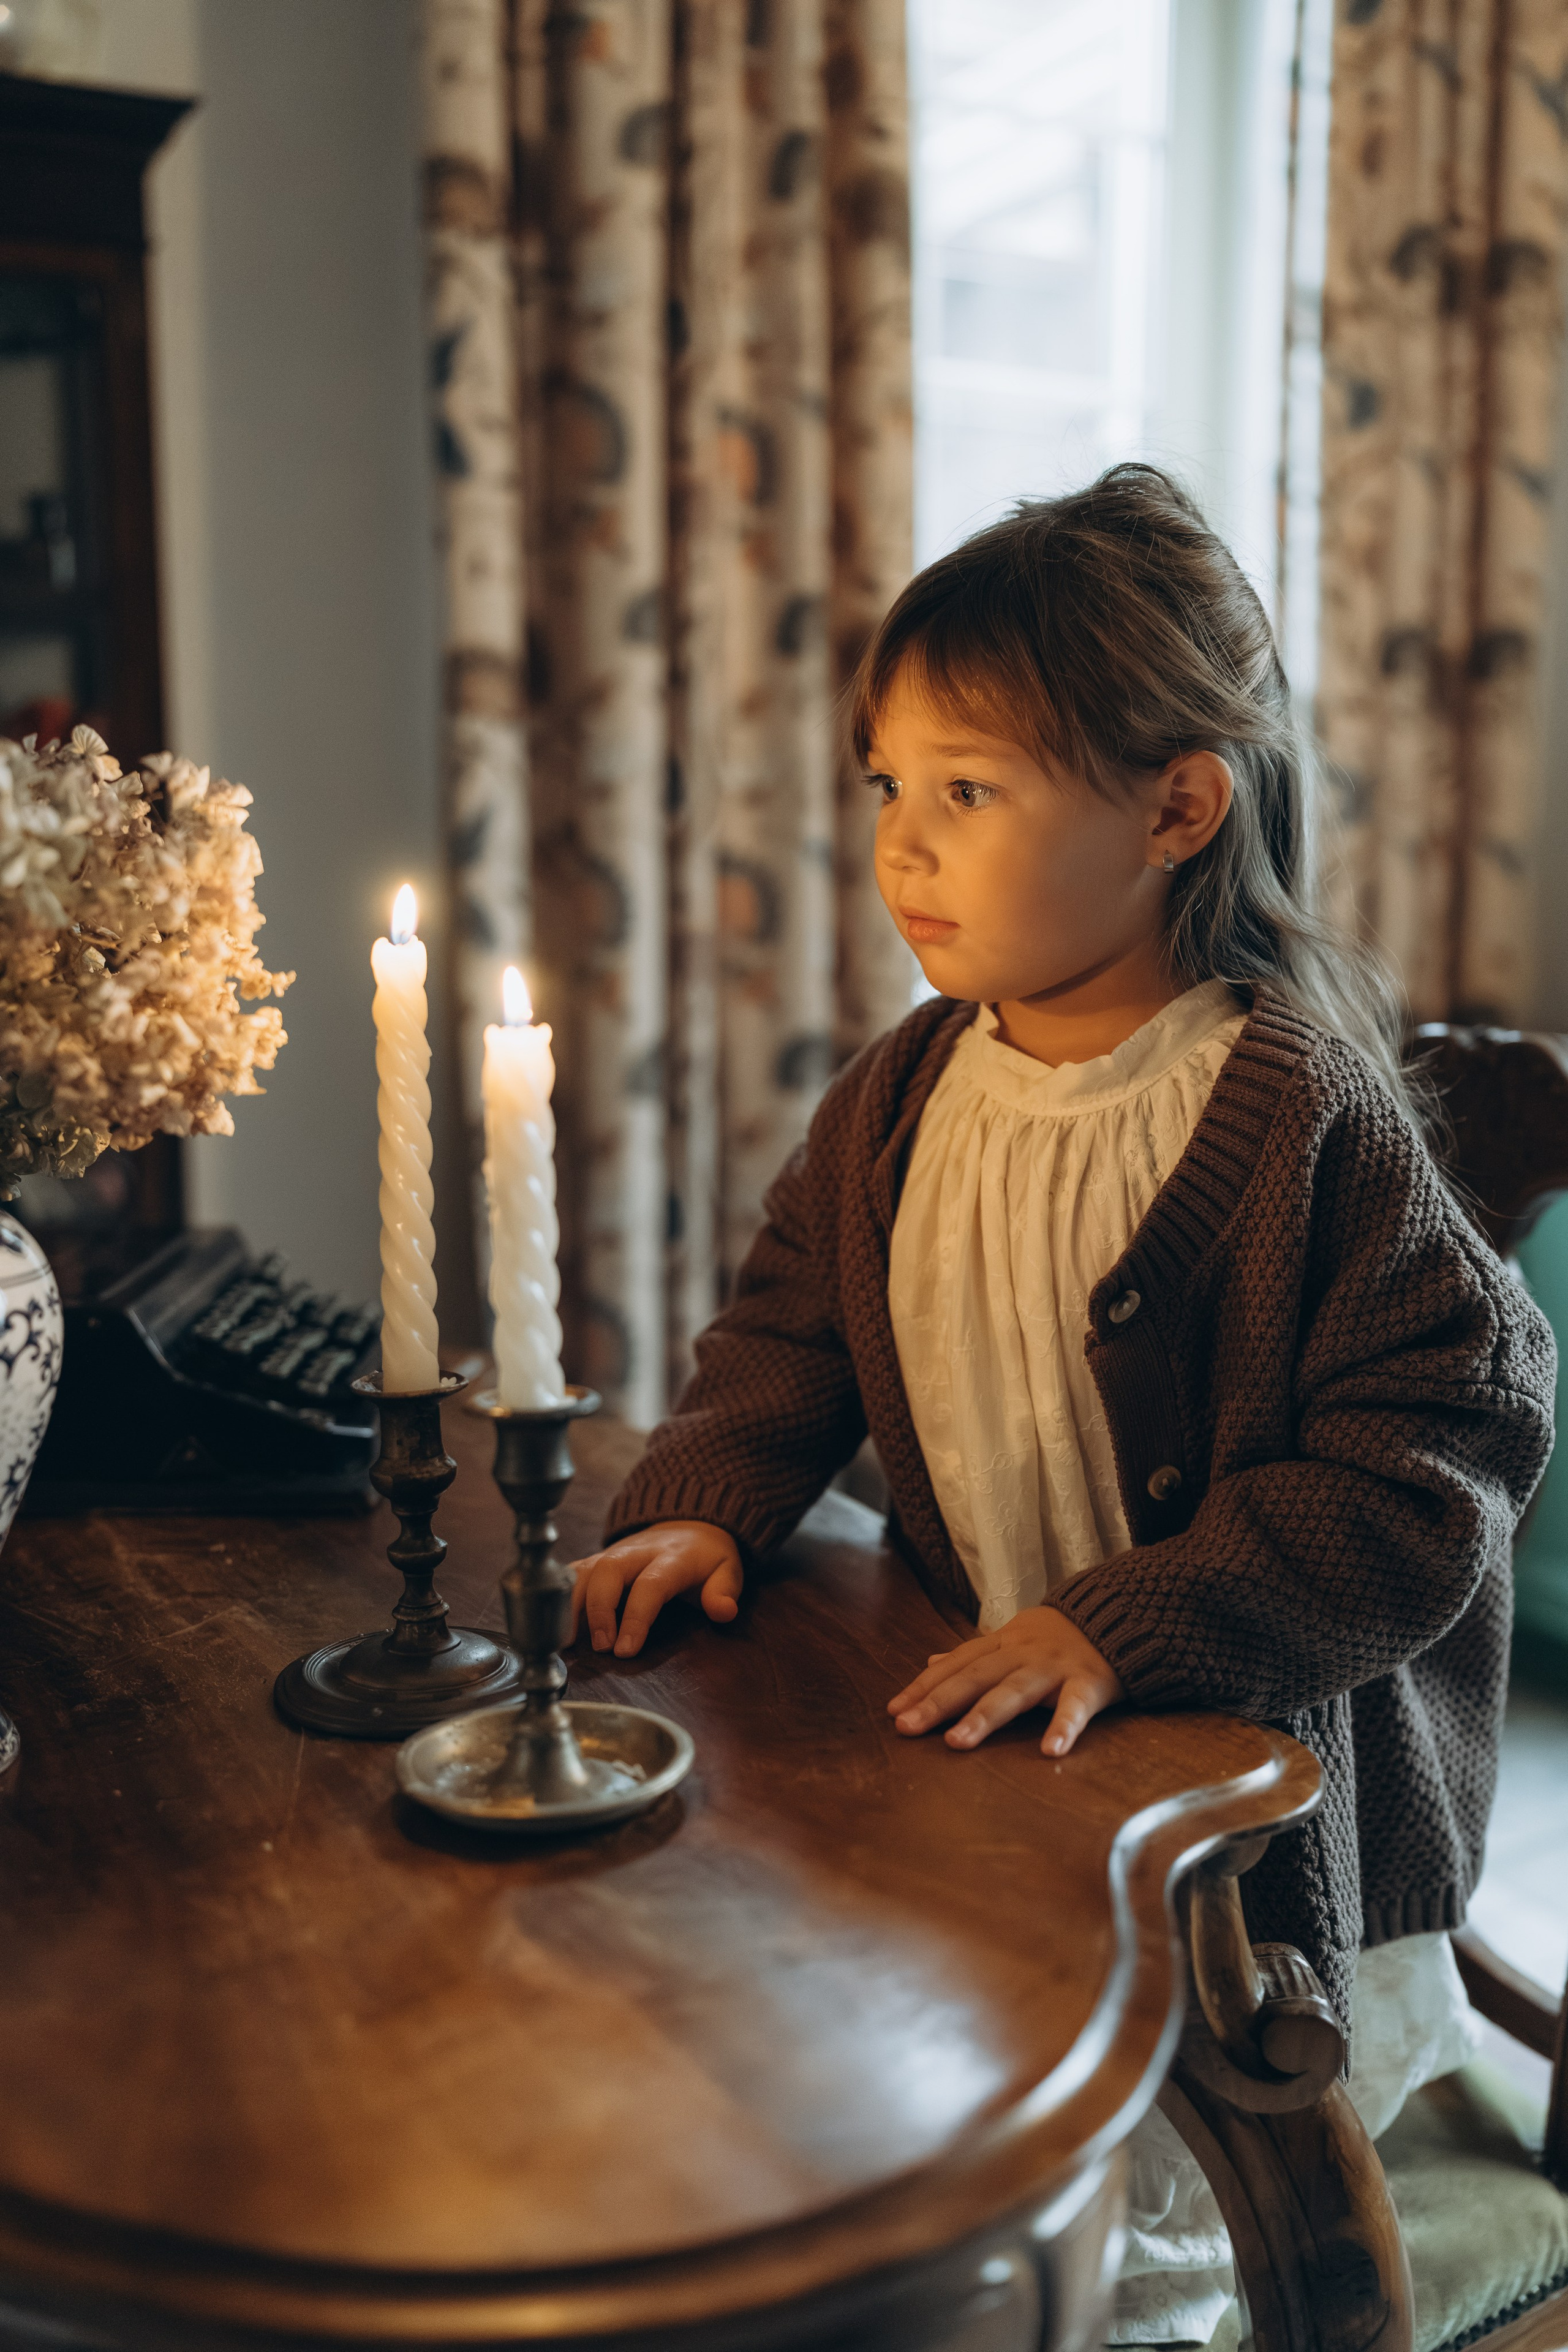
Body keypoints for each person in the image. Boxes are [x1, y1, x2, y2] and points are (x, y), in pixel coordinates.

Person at [568, 465, 1556, 2344]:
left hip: (1240, 1836)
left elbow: (1433, 1464)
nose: (901, 849)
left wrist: (1128, 1622)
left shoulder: (1304, 1118)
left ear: (1177, 809)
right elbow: (788, 1335)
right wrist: (707, 1490)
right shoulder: (898, 1098)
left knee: (1139, 2249)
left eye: (969, 793)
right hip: (998, 1759)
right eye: (887, 787)